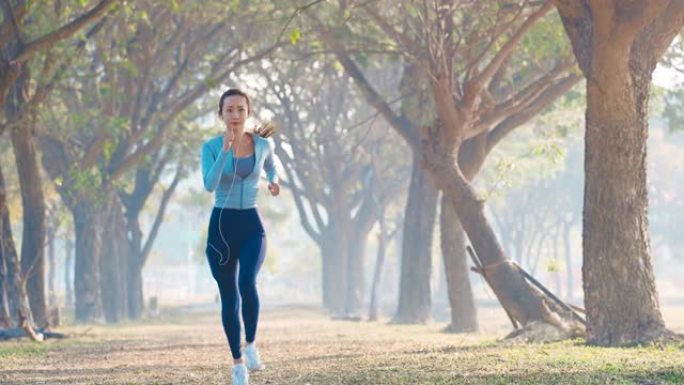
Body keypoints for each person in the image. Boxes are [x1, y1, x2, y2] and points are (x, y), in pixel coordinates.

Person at [201, 88, 280, 385]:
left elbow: (272, 169)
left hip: (251, 223)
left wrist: (274, 182)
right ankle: (237, 364)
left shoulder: (263, 145)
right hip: (221, 226)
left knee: (247, 281)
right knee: (229, 296)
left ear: (248, 112)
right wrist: (225, 149)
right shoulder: (209, 147)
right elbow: (209, 185)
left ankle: (251, 346)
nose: (235, 115)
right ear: (221, 114)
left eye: (240, 110)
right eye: (229, 110)